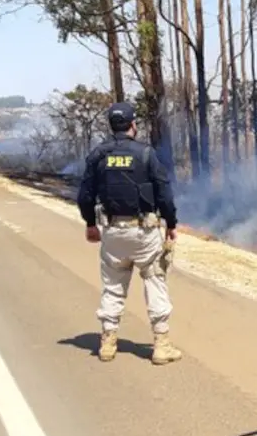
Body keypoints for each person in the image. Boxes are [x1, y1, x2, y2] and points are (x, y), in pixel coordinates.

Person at [76, 102, 183, 365]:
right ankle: (161, 345)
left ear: (112, 126)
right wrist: (171, 224)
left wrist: (90, 224)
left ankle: (108, 343)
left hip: (113, 233)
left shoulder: (99, 155)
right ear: (133, 125)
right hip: (144, 232)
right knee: (155, 281)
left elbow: (85, 195)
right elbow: (164, 194)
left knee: (113, 287)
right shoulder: (146, 154)